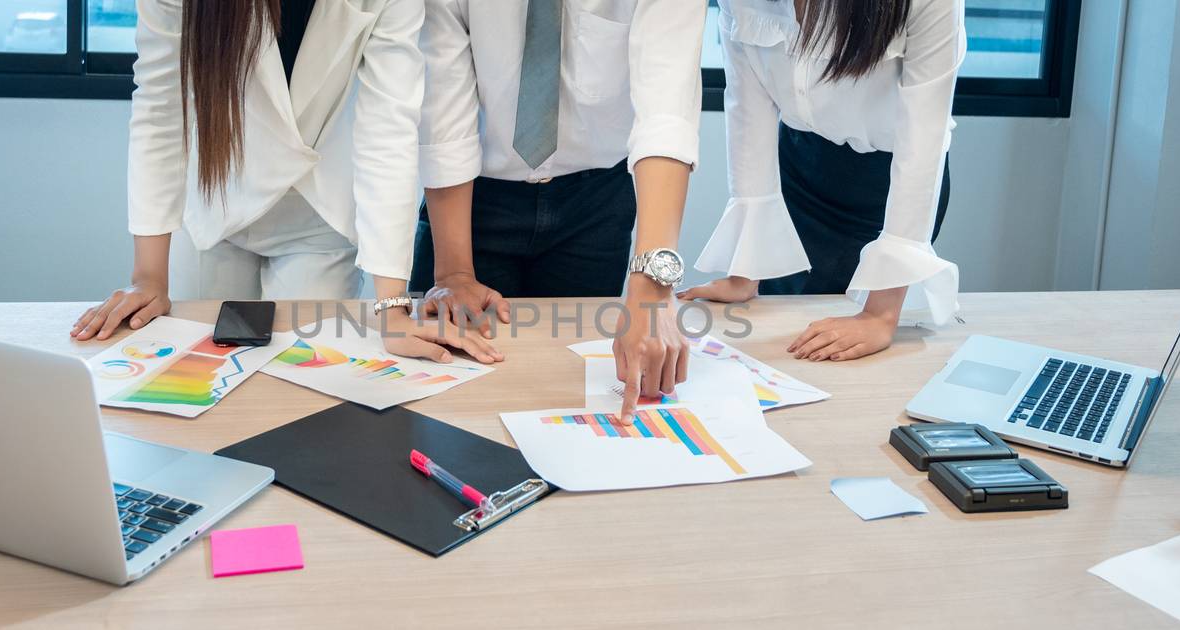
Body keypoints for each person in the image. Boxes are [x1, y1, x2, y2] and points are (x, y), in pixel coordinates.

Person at [71, 0, 499, 365]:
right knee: (194, 375)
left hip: (318, 213)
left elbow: (389, 129)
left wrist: (391, 307)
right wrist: (148, 277)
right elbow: (160, 106)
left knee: (312, 382)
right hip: (213, 206)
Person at [416, 0, 706, 421]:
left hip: (595, 205)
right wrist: (454, 273)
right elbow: (443, 110)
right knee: (446, 397)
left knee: (578, 393)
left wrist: (652, 286)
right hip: (470, 199)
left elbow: (667, 111)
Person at [680, 0, 964, 362]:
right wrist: (746, 270)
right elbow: (748, 108)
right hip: (800, 167)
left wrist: (881, 315)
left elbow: (925, 136)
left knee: (856, 356)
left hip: (889, 186)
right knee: (780, 341)